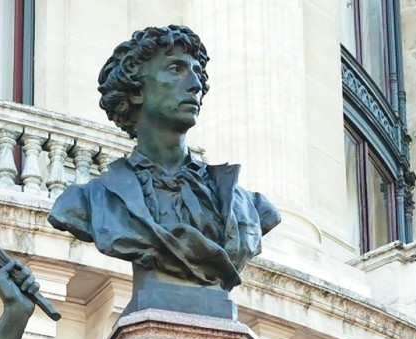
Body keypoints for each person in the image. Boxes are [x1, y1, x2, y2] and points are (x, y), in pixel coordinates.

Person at [48, 25, 280, 315]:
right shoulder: (90, 202)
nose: (196, 83)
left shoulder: (248, 207)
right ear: (136, 91)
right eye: (176, 69)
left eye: (197, 72)